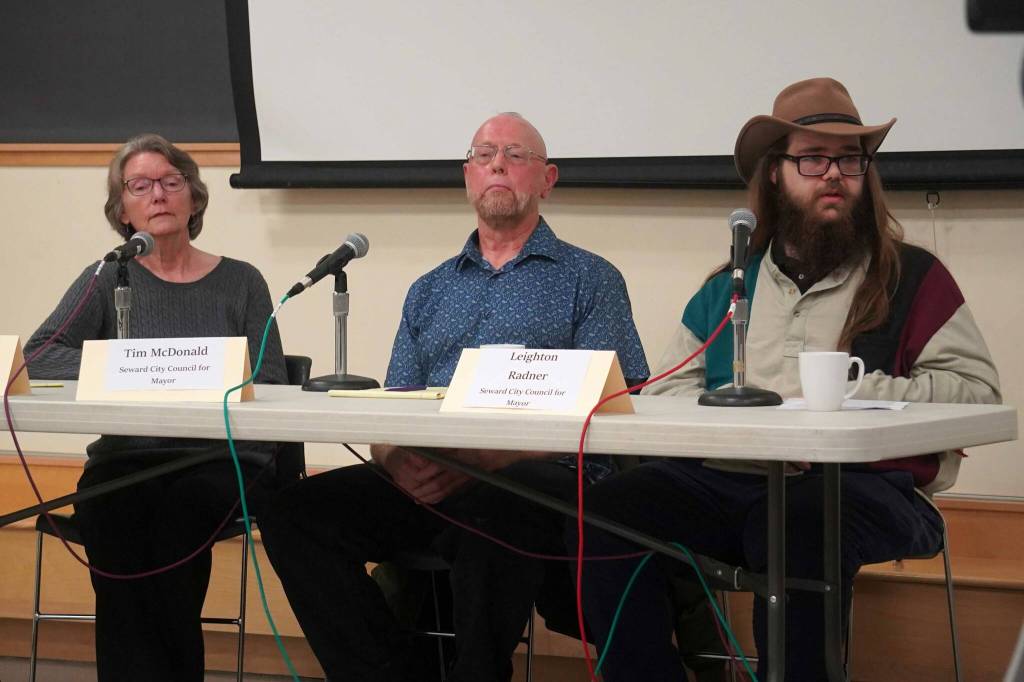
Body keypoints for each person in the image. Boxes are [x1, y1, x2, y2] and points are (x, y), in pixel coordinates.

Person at [573, 78, 1002, 681]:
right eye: (813, 158)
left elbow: (978, 396)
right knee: (609, 507)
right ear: (775, 173)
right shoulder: (730, 287)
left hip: (870, 491)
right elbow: (666, 396)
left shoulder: (913, 278)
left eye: (850, 159)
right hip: (732, 485)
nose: (834, 174)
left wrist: (850, 400)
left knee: (797, 523)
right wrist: (735, 422)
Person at [259, 112, 650, 682]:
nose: (498, 164)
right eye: (485, 154)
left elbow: (610, 409)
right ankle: (394, 672)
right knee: (292, 512)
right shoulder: (430, 289)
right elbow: (395, 407)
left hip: (538, 482)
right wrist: (395, 459)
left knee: (502, 508)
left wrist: (486, 461)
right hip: (432, 477)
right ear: (467, 175)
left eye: (516, 155)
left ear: (548, 179)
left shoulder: (589, 280)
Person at [25, 134, 288, 682]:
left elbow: (269, 379)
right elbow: (41, 356)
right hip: (125, 460)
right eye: (140, 186)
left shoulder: (241, 281)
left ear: (194, 198)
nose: (159, 194)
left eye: (172, 182)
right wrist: (123, 368)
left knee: (176, 521)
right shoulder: (106, 276)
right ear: (122, 209)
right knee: (112, 515)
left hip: (221, 463)